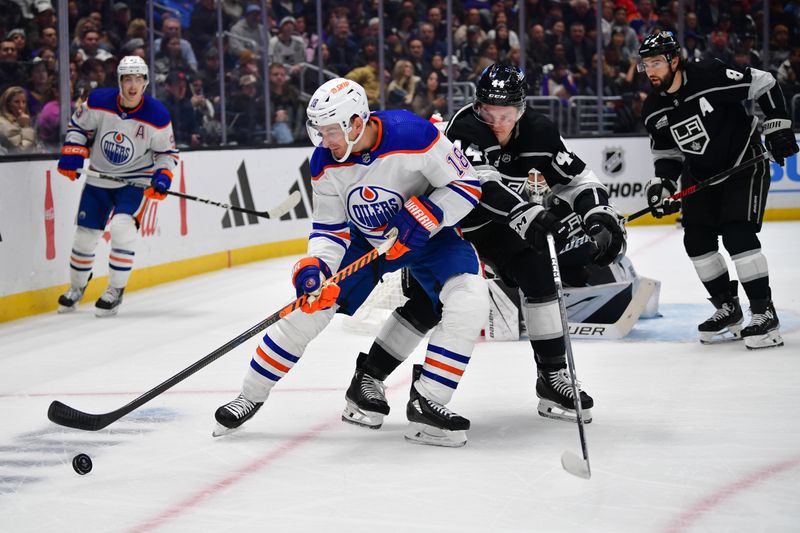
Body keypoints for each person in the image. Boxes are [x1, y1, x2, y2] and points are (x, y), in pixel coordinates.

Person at [340, 64, 626, 430]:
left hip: (498, 227)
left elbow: (577, 178)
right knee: (433, 302)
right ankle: (368, 376)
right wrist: (529, 215)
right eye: (488, 111)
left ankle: (552, 378)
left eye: (505, 114)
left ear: (522, 108)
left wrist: (598, 213)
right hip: (449, 223)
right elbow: (482, 186)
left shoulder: (540, 131)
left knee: (539, 275)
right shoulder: (466, 127)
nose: (496, 122)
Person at [213, 78, 489, 447]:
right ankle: (249, 395)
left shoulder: (414, 133)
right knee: (308, 310)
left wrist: (429, 214)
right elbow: (329, 231)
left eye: (331, 131)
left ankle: (429, 402)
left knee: (469, 299)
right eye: (320, 132)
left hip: (428, 236)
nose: (325, 142)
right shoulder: (324, 164)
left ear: (357, 123)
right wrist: (317, 268)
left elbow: (467, 184)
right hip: (364, 242)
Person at [639, 31, 798, 349]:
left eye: (656, 62)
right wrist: (663, 186)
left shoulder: (708, 74)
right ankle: (728, 307)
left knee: (737, 234)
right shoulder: (654, 109)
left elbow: (763, 81)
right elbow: (667, 154)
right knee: (696, 241)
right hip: (699, 176)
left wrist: (778, 124)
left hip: (743, 162)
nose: (651, 70)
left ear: (674, 60)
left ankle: (764, 312)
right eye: (646, 64)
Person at [56, 56, 179, 317]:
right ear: (120, 81)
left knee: (123, 228)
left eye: (138, 79)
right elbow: (78, 125)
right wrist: (73, 151)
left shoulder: (158, 116)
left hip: (135, 181)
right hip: (99, 178)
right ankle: (77, 286)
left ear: (145, 83)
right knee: (85, 236)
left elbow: (166, 154)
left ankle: (115, 289)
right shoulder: (99, 101)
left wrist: (162, 178)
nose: (132, 86)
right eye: (127, 79)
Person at [0, 86, 36, 153]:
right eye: (16, 102)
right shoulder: (3, 124)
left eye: (24, 102)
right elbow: (22, 151)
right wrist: (25, 126)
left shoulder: (20, 119)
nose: (21, 106)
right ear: (8, 104)